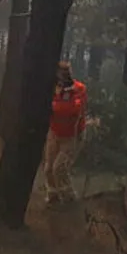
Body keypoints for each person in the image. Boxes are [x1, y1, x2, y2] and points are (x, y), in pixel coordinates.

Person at [44, 61, 87, 204]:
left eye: (64, 74)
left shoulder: (79, 89)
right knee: (49, 168)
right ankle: (53, 196)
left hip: (73, 135)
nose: (61, 78)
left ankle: (69, 197)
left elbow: (74, 110)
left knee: (59, 168)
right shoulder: (52, 89)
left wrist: (56, 102)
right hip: (55, 132)